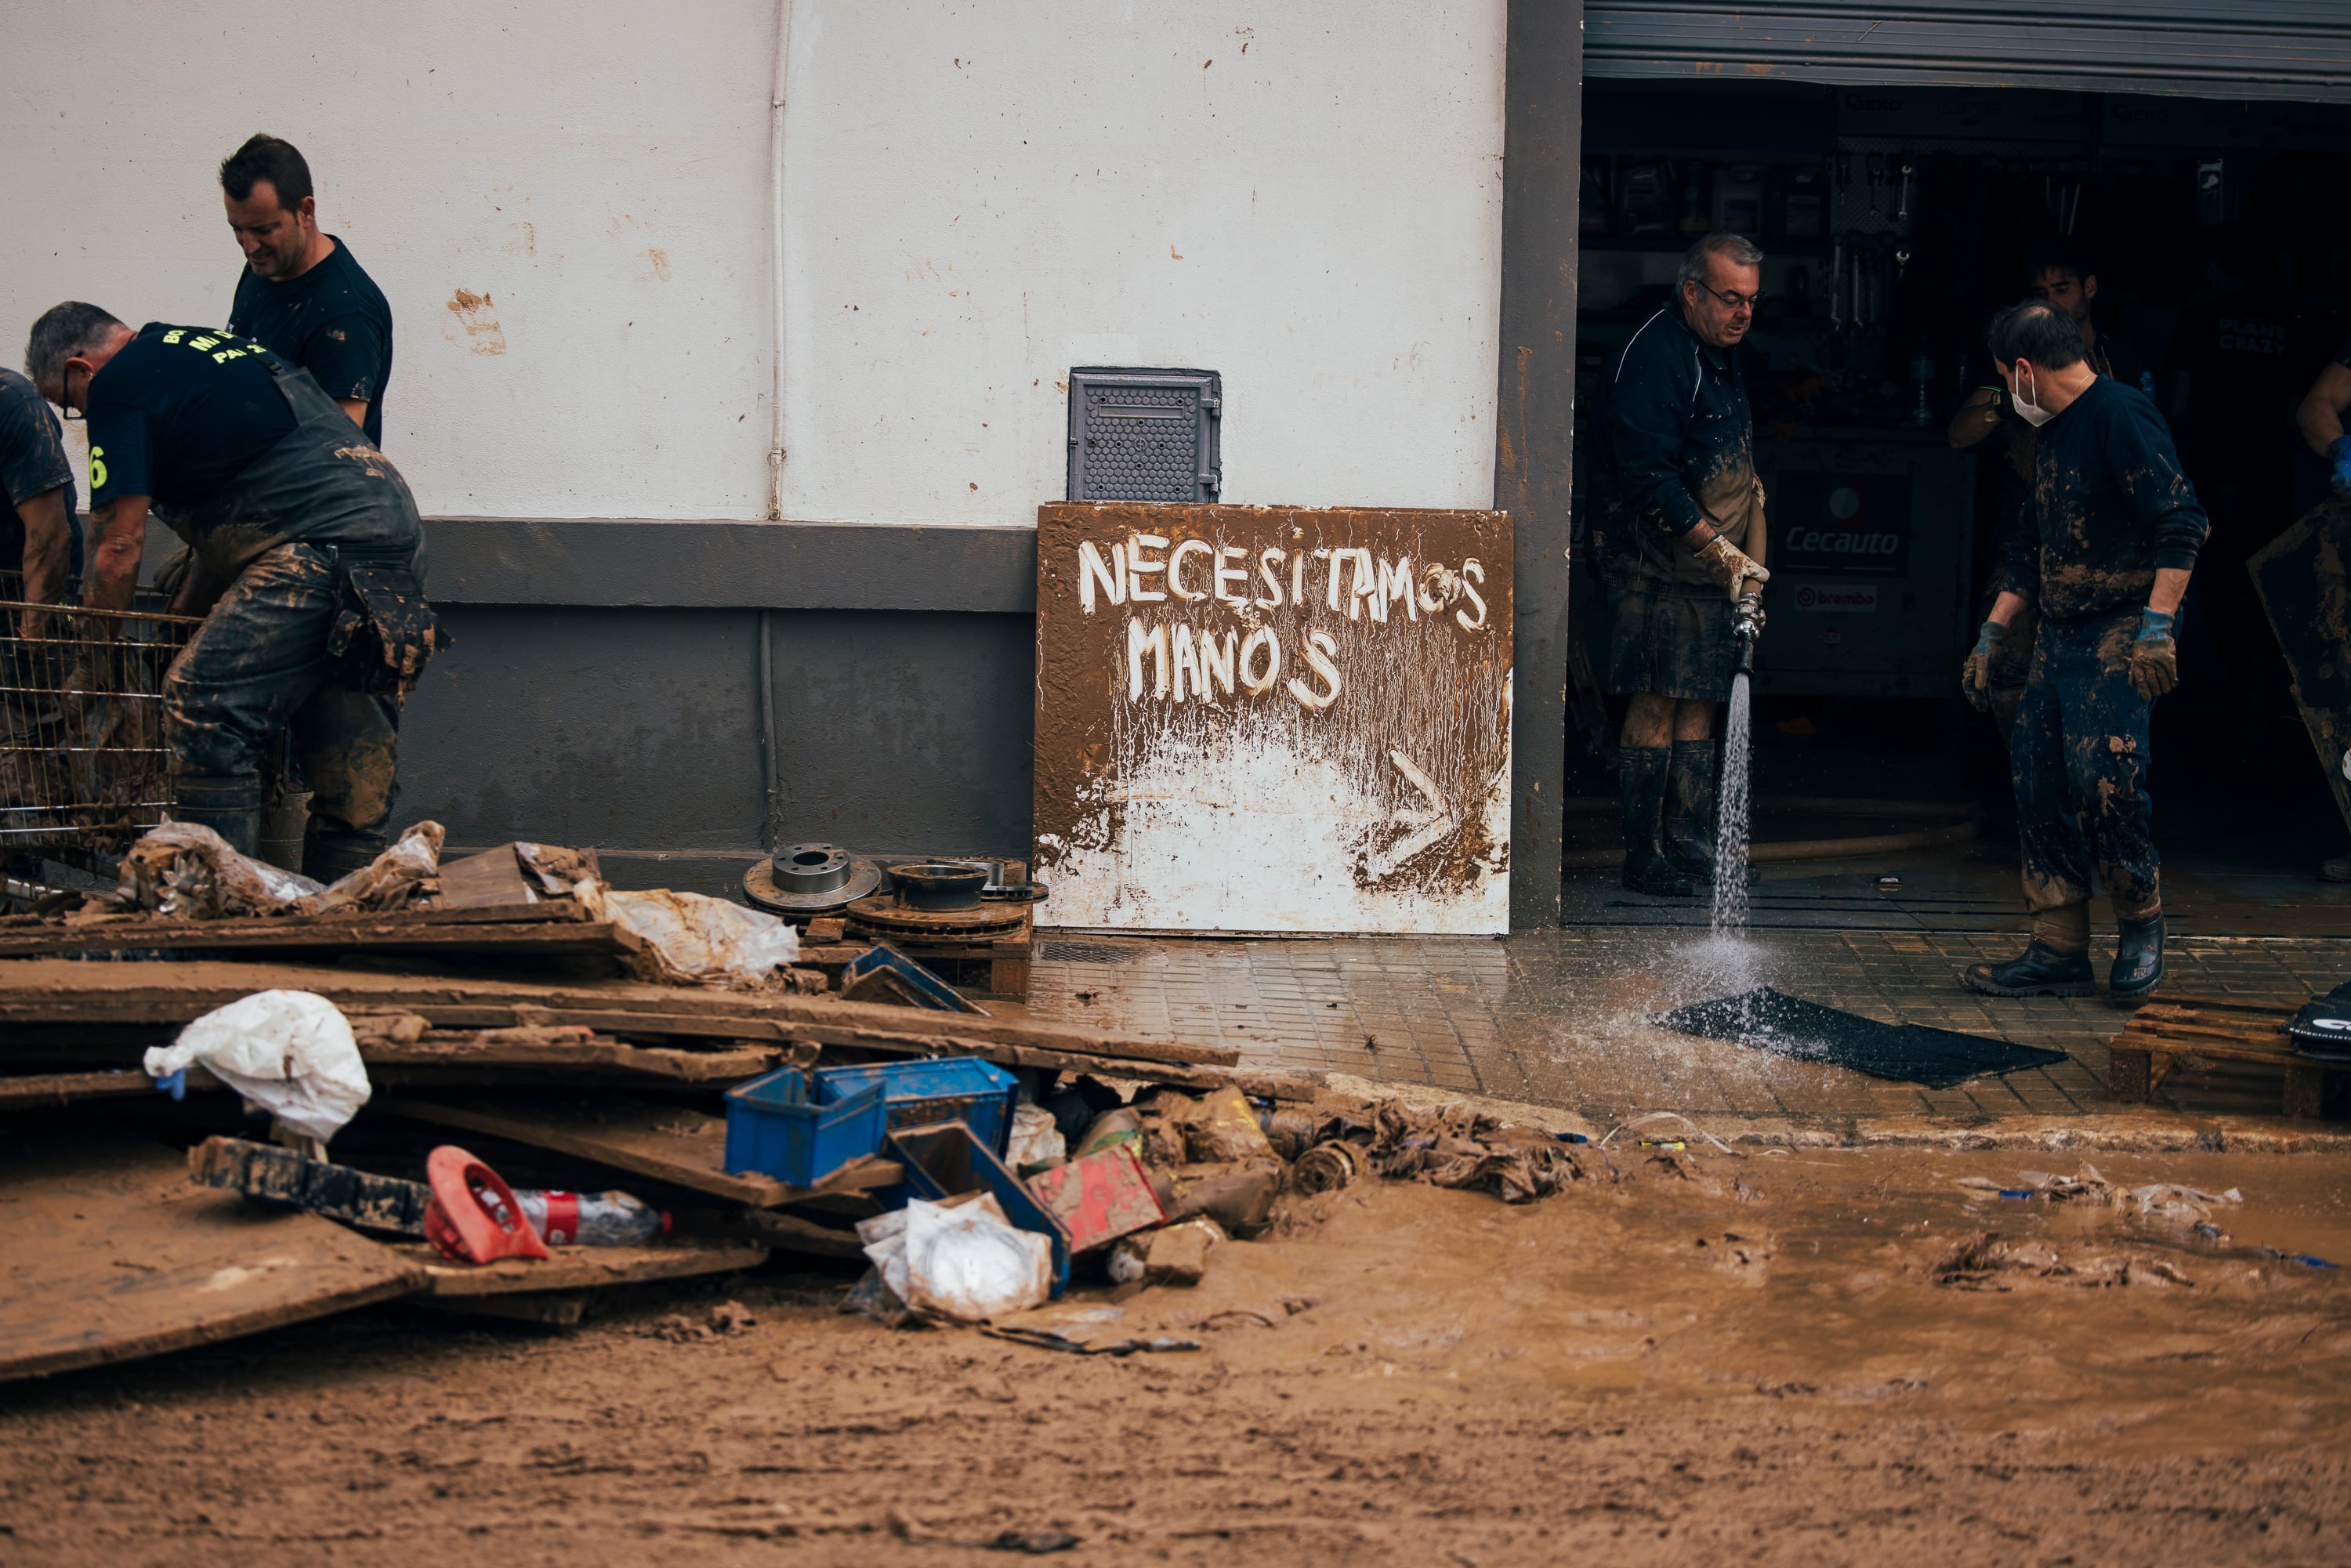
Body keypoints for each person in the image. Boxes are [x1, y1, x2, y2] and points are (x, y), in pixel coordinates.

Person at [25, 303, 443, 881]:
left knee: (204, 707)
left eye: (70, 404)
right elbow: (233, 534)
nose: (81, 416)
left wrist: (96, 663)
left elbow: (116, 544)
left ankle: (219, 917)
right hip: (392, 538)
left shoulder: (119, 382)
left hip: (316, 546)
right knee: (349, 772)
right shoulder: (198, 351)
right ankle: (348, 934)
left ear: (81, 368)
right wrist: (179, 627)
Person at [1959, 300, 2209, 1001]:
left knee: (2105, 777)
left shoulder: (2120, 415)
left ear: (2026, 370)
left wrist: (2157, 627)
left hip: (2122, 624)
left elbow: (2182, 520)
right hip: (2061, 629)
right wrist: (1996, 630)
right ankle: (2059, 946)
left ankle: (2140, 923)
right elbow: (2029, 547)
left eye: (2007, 377)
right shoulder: (2049, 435)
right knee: (2037, 775)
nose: (2009, 390)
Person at [1591, 232, 1772, 896]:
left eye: (1752, 301)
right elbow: (1647, 478)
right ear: (1692, 291)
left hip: (1707, 565)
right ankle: (1644, 852)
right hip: (1652, 560)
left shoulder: (1722, 352)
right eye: (1730, 298)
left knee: (1700, 694)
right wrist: (1718, 549)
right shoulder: (1659, 356)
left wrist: (1743, 556)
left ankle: (1692, 839)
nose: (1743, 314)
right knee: (1658, 697)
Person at [219, 135, 393, 445]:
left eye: (263, 230)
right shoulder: (268, 264)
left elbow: (339, 453)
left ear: (306, 211)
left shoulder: (346, 317)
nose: (248, 246)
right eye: (237, 229)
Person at [0, 366, 80, 639]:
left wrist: (30, 640)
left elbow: (51, 537)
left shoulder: (14, 403)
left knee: (31, 671)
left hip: (28, 573)